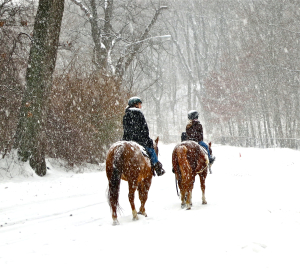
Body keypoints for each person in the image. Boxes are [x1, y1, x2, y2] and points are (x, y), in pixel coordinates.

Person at [122, 96, 165, 176]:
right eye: (139, 104)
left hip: (128, 140)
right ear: (135, 105)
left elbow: (125, 129)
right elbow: (145, 129)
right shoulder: (139, 114)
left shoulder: (126, 115)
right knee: (151, 150)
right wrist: (146, 138)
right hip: (140, 140)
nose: (140, 106)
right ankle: (157, 167)